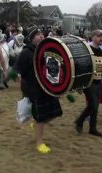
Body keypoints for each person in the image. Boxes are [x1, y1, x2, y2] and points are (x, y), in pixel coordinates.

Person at [14, 25, 63, 154]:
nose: (41, 36)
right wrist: (23, 86)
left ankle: (35, 125)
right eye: (38, 34)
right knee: (40, 118)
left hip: (48, 87)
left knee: (55, 113)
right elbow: (17, 70)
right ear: (31, 38)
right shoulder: (26, 52)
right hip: (34, 90)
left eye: (42, 34)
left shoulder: (45, 50)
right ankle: (39, 143)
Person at [74, 29, 102, 137]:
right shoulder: (87, 50)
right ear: (93, 37)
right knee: (93, 104)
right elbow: (80, 67)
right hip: (88, 82)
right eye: (99, 36)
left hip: (98, 82)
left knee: (95, 106)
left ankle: (92, 128)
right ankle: (80, 120)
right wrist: (79, 84)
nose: (101, 39)